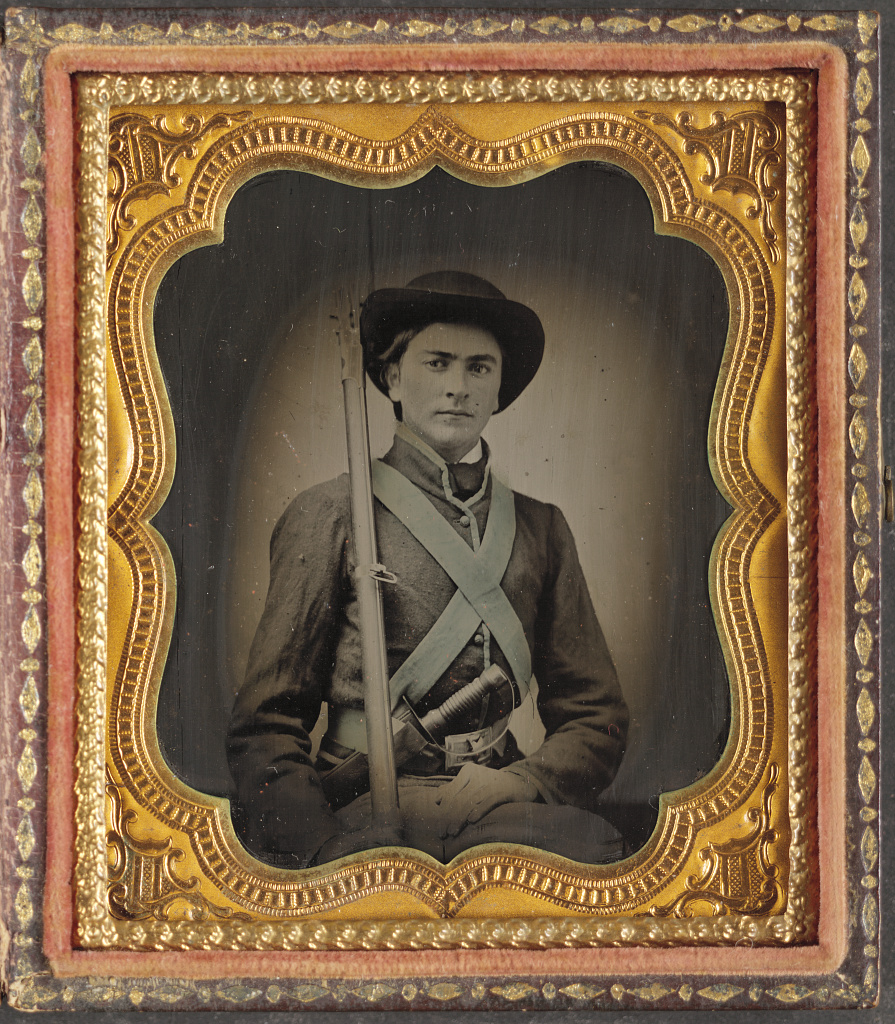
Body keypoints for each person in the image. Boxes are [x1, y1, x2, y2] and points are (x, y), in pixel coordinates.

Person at [227, 271, 629, 867]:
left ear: (499, 391)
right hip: (361, 804)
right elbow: (265, 726)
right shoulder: (331, 512)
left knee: (599, 854)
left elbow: (596, 716)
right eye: (436, 364)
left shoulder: (543, 528)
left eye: (479, 369)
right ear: (392, 377)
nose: (458, 389)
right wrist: (320, 849)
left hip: (498, 799)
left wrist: (519, 782)